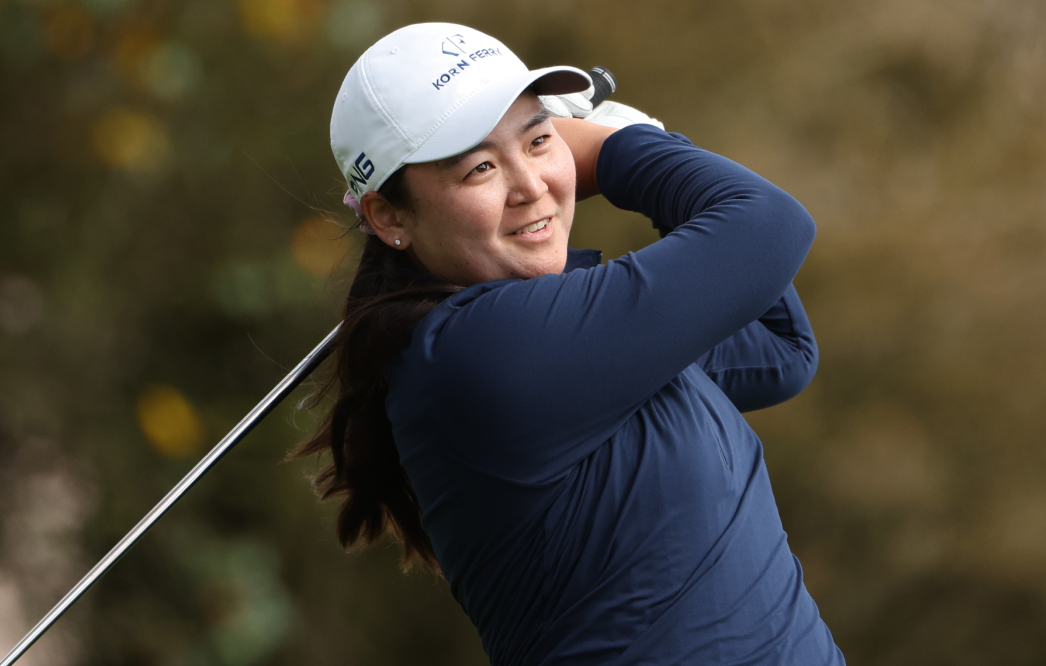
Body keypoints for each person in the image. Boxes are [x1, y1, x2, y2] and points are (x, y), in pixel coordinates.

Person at [293, 22, 844, 666]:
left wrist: (629, 151)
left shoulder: (562, 335)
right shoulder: (477, 353)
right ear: (389, 215)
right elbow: (769, 226)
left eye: (538, 140)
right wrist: (628, 149)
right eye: (479, 168)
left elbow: (781, 350)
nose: (531, 186)